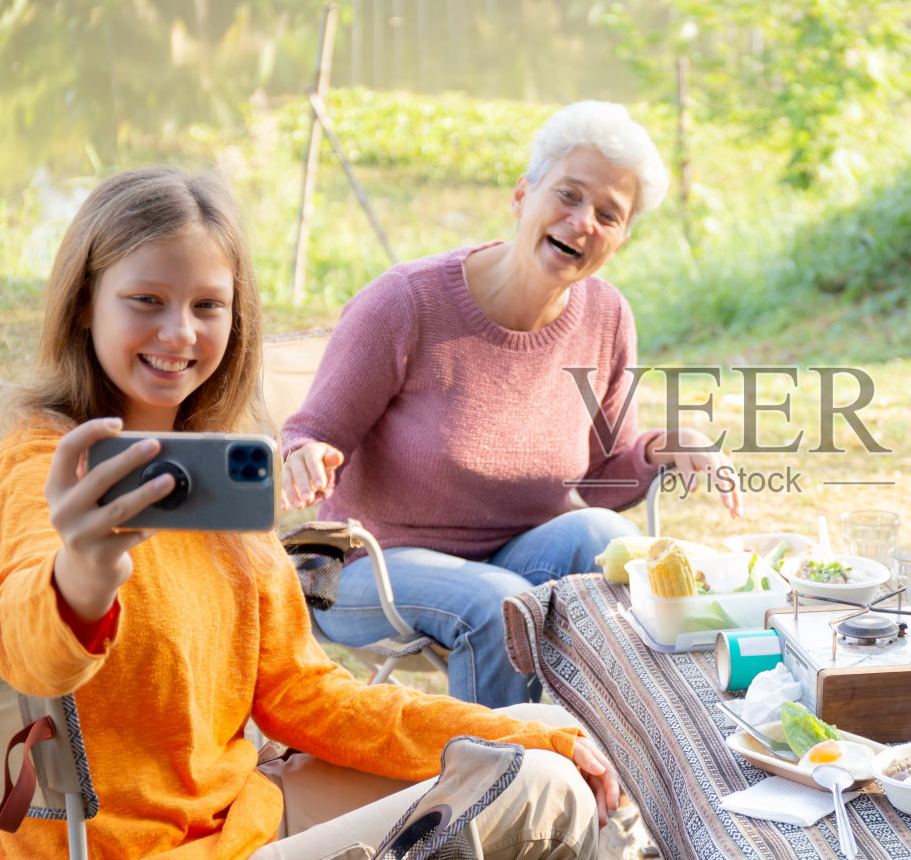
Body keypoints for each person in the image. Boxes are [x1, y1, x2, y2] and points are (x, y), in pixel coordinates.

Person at [0, 166, 619, 860]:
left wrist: (502, 725)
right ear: (84, 303)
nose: (179, 332)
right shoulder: (43, 467)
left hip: (232, 824)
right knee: (544, 797)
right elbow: (28, 651)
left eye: (208, 305)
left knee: (543, 738)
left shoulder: (219, 489)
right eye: (147, 301)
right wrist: (85, 571)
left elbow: (304, 697)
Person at [280, 101, 739, 708]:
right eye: (568, 195)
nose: (583, 222)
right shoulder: (406, 302)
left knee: (607, 536)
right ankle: (498, 790)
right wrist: (305, 454)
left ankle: (617, 757)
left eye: (608, 214)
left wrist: (663, 446)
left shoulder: (606, 318)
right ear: (523, 195)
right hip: (363, 563)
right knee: (500, 604)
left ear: (620, 238)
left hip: (515, 557)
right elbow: (310, 431)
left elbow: (601, 484)